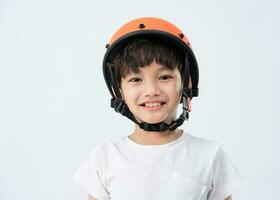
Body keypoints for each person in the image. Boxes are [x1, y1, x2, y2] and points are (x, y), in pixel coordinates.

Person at [72, 17, 242, 200]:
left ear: (186, 83)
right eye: (136, 79)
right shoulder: (105, 157)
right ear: (118, 90)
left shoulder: (209, 156)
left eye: (165, 77)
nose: (151, 91)